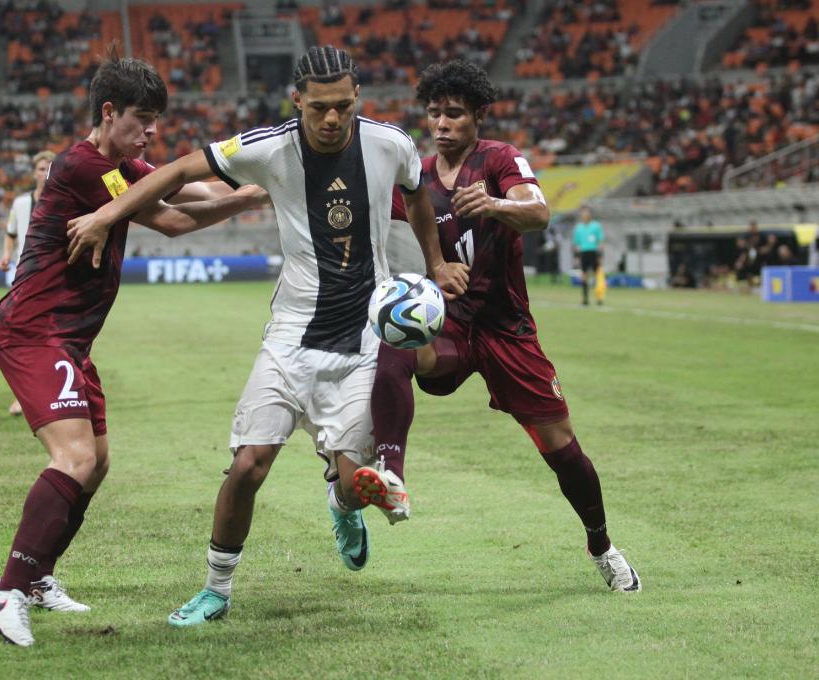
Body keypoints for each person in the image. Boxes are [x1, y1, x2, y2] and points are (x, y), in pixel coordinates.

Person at [66, 45, 467, 627]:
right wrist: (107, 215)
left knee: (355, 483)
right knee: (248, 466)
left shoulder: (390, 144)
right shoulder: (267, 146)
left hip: (361, 344)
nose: (332, 120)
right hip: (290, 338)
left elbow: (416, 195)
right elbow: (178, 172)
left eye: (343, 107)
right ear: (297, 101)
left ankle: (343, 499)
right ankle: (215, 590)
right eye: (319, 108)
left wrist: (434, 263)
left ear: (358, 100)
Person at [0, 46, 269, 647]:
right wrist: (252, 196)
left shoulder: (113, 169)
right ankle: (7, 588)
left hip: (70, 340)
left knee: (97, 462)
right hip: (36, 330)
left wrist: (254, 185)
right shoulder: (85, 167)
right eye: (143, 120)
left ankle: (38, 578)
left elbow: (181, 194)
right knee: (76, 459)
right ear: (109, 113)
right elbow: (172, 220)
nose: (153, 131)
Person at [370, 60, 640, 593]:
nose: (442, 123)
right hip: (453, 326)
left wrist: (494, 204)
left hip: (508, 331)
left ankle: (601, 545)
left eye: (455, 114)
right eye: (435, 113)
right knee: (394, 343)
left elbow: (538, 211)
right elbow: (367, 201)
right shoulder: (418, 176)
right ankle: (391, 473)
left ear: (477, 116)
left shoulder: (499, 159)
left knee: (561, 448)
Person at [0, 150, 55, 416]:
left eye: (48, 168)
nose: (44, 173)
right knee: (20, 336)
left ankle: (54, 390)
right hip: (23, 276)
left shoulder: (62, 199)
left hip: (54, 276)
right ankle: (23, 395)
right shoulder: (21, 204)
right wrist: (7, 254)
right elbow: (11, 233)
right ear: (34, 172)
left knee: (52, 336)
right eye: (41, 168)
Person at [572, 206, 605, 305]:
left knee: (598, 276)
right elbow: (576, 244)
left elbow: (601, 241)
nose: (585, 215)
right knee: (584, 276)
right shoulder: (578, 228)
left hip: (594, 253)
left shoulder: (596, 226)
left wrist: (600, 256)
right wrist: (577, 257)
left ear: (590, 215)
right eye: (583, 213)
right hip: (584, 254)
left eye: (586, 213)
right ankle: (585, 299)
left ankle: (599, 298)